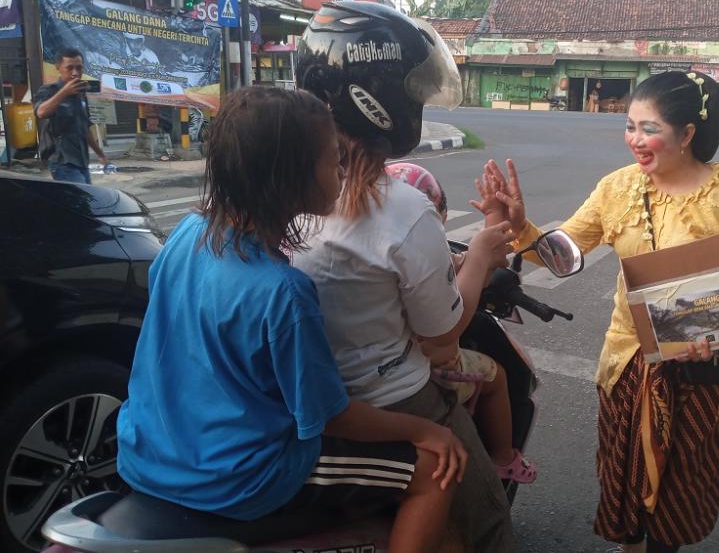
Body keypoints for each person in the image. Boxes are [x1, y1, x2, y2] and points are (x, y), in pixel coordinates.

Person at [115, 86, 466, 553]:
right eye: (332, 160)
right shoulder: (283, 292)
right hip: (242, 478)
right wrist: (426, 429)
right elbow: (331, 417)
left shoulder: (187, 234)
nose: (343, 171)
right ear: (291, 178)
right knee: (435, 471)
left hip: (148, 453)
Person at [480, 71, 719, 553]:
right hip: (629, 357)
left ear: (687, 134)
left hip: (704, 370)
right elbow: (565, 254)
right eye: (630, 125)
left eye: (648, 128)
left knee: (683, 479)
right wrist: (521, 228)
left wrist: (717, 335)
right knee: (624, 469)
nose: (634, 139)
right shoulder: (617, 188)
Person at [292, 1, 514, 552]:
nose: (416, 99)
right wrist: (482, 253)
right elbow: (441, 338)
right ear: (378, 96)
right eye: (412, 88)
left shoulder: (283, 190)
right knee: (488, 528)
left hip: (299, 401)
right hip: (389, 399)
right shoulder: (404, 208)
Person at [386, 161, 538, 484]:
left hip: (381, 373)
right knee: (497, 379)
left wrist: (494, 218)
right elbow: (477, 272)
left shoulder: (369, 244)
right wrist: (493, 221)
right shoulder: (434, 252)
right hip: (434, 370)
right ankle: (503, 457)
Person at [33, 48, 108, 184]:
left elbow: (84, 128)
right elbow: (41, 112)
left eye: (79, 68)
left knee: (83, 200)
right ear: (58, 67)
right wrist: (64, 92)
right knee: (81, 201)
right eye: (70, 68)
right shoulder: (49, 90)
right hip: (62, 161)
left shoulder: (80, 94)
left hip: (82, 161)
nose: (75, 73)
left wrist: (101, 155)